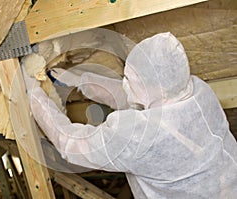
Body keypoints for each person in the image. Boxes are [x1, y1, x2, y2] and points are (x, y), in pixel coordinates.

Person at [23, 32, 237, 198]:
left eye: (130, 79)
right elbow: (140, 96)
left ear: (151, 84)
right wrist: (83, 81)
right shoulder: (195, 91)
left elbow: (70, 143)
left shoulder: (138, 137)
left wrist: (33, 93)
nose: (125, 84)